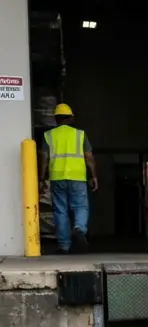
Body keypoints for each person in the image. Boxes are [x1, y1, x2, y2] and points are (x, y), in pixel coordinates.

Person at [38, 103, 97, 254]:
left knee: (60, 211)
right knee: (80, 206)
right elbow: (89, 157)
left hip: (57, 177)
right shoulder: (80, 134)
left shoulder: (49, 135)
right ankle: (79, 228)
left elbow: (44, 157)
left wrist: (41, 178)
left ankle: (64, 246)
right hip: (77, 176)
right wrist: (94, 176)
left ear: (56, 119)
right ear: (71, 118)